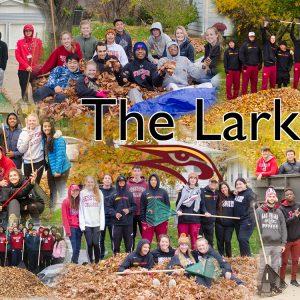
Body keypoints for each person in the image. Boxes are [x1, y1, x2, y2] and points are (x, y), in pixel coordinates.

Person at [256, 187, 287, 291]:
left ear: (276, 198)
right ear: (266, 198)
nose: (272, 198)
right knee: (262, 266)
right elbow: (257, 227)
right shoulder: (259, 211)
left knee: (275, 266)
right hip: (265, 244)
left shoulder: (279, 212)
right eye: (269, 196)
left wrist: (283, 243)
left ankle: (274, 285)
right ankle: (260, 286)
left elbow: (283, 228)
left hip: (277, 244)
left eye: (273, 196)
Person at [41, 118, 70, 212]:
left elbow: (60, 155)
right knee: (52, 189)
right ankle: (52, 210)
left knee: (61, 190)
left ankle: (67, 211)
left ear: (52, 127)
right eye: (45, 126)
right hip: (50, 167)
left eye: (49, 126)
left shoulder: (57, 138)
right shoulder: (44, 138)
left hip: (60, 168)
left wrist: (58, 170)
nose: (47, 128)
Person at [79, 176, 105, 264]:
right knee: (89, 244)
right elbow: (80, 210)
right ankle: (91, 261)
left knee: (96, 243)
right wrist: (82, 224)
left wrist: (102, 224)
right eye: (88, 182)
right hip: (87, 224)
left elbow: (102, 209)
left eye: (92, 182)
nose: (90, 184)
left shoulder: (99, 193)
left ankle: (97, 262)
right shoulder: (82, 193)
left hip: (97, 223)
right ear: (85, 183)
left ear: (94, 183)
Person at [108, 175, 136, 254]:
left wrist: (129, 210)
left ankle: (129, 261)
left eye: (123, 181)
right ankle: (115, 260)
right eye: (120, 181)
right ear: (117, 182)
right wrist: (115, 213)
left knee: (128, 245)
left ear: (125, 182)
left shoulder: (129, 194)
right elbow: (109, 207)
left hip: (128, 223)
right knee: (116, 245)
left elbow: (134, 206)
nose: (121, 183)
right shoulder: (113, 194)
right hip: (117, 224)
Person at [15, 24, 43, 100]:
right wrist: (26, 66)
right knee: (24, 90)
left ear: (32, 31)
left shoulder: (38, 41)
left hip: (35, 70)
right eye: (26, 31)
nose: (28, 32)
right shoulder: (19, 42)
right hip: (23, 70)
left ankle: (36, 104)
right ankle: (25, 105)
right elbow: (18, 56)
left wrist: (34, 67)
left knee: (36, 88)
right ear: (24, 32)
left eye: (29, 30)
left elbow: (41, 55)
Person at [176, 172, 203, 250]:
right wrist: (179, 210)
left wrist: (205, 212)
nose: (193, 180)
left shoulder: (199, 191)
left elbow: (202, 204)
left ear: (197, 180)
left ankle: (195, 256)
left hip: (195, 219)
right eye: (191, 178)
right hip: (183, 219)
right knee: (183, 241)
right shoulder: (182, 191)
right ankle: (183, 257)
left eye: (195, 178)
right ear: (188, 179)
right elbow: (178, 204)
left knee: (195, 241)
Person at [140, 174, 170, 244]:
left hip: (161, 221)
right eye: (151, 180)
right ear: (149, 181)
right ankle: (146, 254)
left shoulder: (163, 192)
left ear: (158, 181)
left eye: (155, 180)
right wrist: (144, 220)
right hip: (148, 221)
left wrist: (166, 218)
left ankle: (160, 254)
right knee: (146, 242)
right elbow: (142, 208)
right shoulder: (145, 193)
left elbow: (167, 207)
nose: (153, 181)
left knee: (162, 242)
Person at [280, 188, 300, 287]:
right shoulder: (282, 208)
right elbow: (284, 223)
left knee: (295, 260)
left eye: (291, 194)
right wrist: (294, 216)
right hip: (286, 240)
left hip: (297, 238)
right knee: (284, 262)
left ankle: (293, 279)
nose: (289, 196)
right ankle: (281, 280)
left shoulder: (298, 206)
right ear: (285, 197)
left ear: (294, 195)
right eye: (287, 195)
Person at [17, 113, 44, 183]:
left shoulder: (41, 129)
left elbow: (50, 131)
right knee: (28, 183)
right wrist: (26, 140)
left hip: (39, 161)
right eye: (30, 120)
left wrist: (58, 132)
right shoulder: (23, 133)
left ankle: (36, 194)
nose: (32, 122)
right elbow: (20, 150)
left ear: (37, 121)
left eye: (34, 120)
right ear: (27, 121)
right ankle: (28, 194)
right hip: (27, 162)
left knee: (36, 182)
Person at [126, 165, 148, 249]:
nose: (136, 172)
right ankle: (131, 252)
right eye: (135, 171)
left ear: (141, 172)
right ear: (132, 172)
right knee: (131, 235)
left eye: (138, 171)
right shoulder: (128, 184)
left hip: (142, 213)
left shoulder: (146, 184)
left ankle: (145, 251)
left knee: (144, 234)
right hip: (131, 213)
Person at [234, 178, 256, 256]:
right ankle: (243, 257)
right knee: (240, 240)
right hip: (238, 220)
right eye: (237, 184)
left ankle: (248, 258)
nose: (238, 186)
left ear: (245, 184)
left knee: (243, 238)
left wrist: (253, 203)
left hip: (248, 220)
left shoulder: (249, 193)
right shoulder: (238, 193)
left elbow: (253, 200)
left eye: (240, 184)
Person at [62, 184, 82, 264]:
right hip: (71, 227)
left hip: (79, 227)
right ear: (70, 191)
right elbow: (64, 217)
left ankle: (75, 262)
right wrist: (67, 230)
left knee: (78, 247)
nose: (75, 192)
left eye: (77, 190)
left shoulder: (79, 201)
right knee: (73, 246)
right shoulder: (66, 202)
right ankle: (71, 262)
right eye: (73, 190)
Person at [215, 182, 235, 257]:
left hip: (230, 224)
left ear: (228, 187)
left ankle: (229, 256)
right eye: (222, 188)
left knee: (227, 240)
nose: (224, 189)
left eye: (225, 187)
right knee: (220, 241)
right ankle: (221, 256)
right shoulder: (218, 196)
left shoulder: (233, 196)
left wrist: (233, 192)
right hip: (219, 223)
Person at [200, 176, 218, 247]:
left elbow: (227, 192)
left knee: (210, 241)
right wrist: (205, 212)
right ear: (209, 182)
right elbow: (202, 204)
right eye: (212, 182)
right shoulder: (203, 191)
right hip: (201, 220)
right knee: (199, 240)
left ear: (217, 184)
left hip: (211, 222)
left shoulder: (217, 192)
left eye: (215, 182)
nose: (213, 183)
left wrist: (233, 192)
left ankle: (210, 255)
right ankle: (199, 256)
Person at [99, 174, 115, 259]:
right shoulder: (99, 191)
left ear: (111, 181)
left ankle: (114, 255)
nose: (107, 180)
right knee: (101, 238)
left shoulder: (115, 191)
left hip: (112, 218)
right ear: (103, 180)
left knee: (114, 237)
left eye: (109, 178)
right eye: (106, 178)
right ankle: (101, 255)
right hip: (101, 218)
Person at [261, 21, 278, 90]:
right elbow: (263, 35)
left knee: (273, 82)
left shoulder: (276, 46)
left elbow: (282, 49)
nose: (273, 39)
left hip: (273, 66)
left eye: (274, 38)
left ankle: (272, 94)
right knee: (265, 82)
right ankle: (263, 94)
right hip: (267, 66)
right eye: (272, 38)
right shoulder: (266, 44)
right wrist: (265, 26)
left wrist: (290, 50)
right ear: (270, 39)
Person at [290, 22, 300, 89]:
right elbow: (291, 35)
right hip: (297, 63)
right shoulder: (296, 42)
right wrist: (293, 26)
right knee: (296, 78)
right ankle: (294, 90)